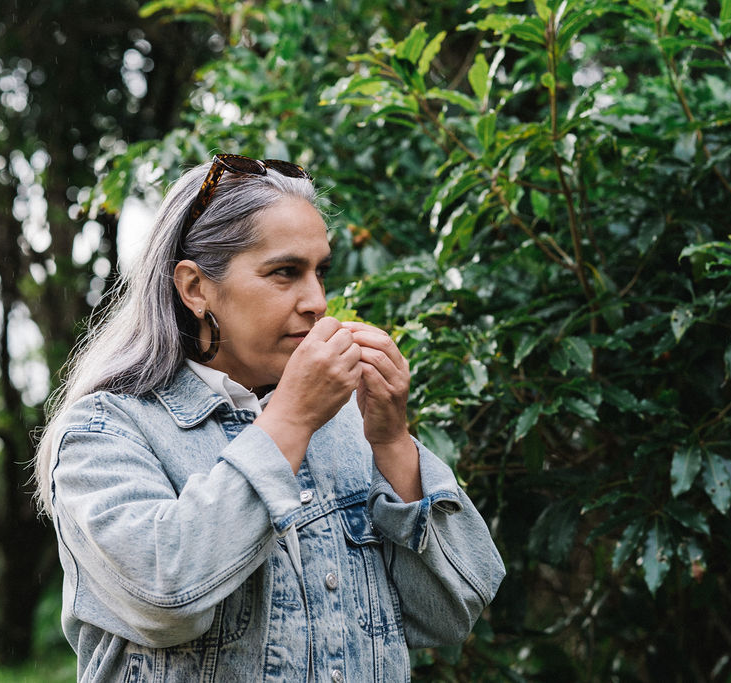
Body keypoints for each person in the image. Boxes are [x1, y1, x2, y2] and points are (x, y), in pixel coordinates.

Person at [33, 154, 505, 682]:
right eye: (285, 273)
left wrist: (392, 439)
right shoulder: (106, 431)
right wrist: (291, 421)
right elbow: (165, 598)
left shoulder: (347, 423)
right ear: (195, 288)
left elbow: (452, 614)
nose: (318, 302)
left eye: (320, 272)